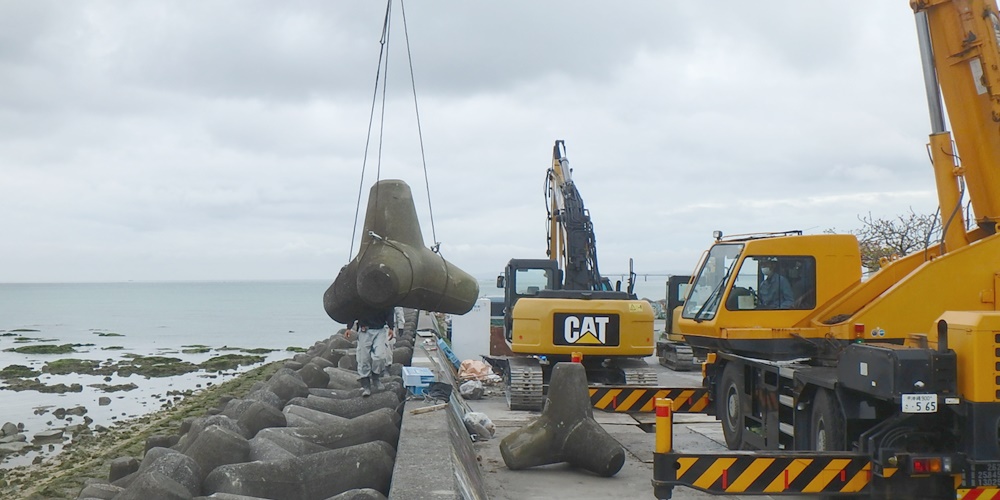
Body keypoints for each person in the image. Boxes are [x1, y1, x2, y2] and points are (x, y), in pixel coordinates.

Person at [345, 307, 396, 397]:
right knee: (363, 359)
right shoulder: (360, 299)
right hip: (364, 330)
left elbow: (389, 309)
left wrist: (391, 327)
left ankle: (376, 377)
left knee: (380, 356)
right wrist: (349, 327)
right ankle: (366, 384)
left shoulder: (384, 299)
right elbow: (353, 309)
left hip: (380, 329)